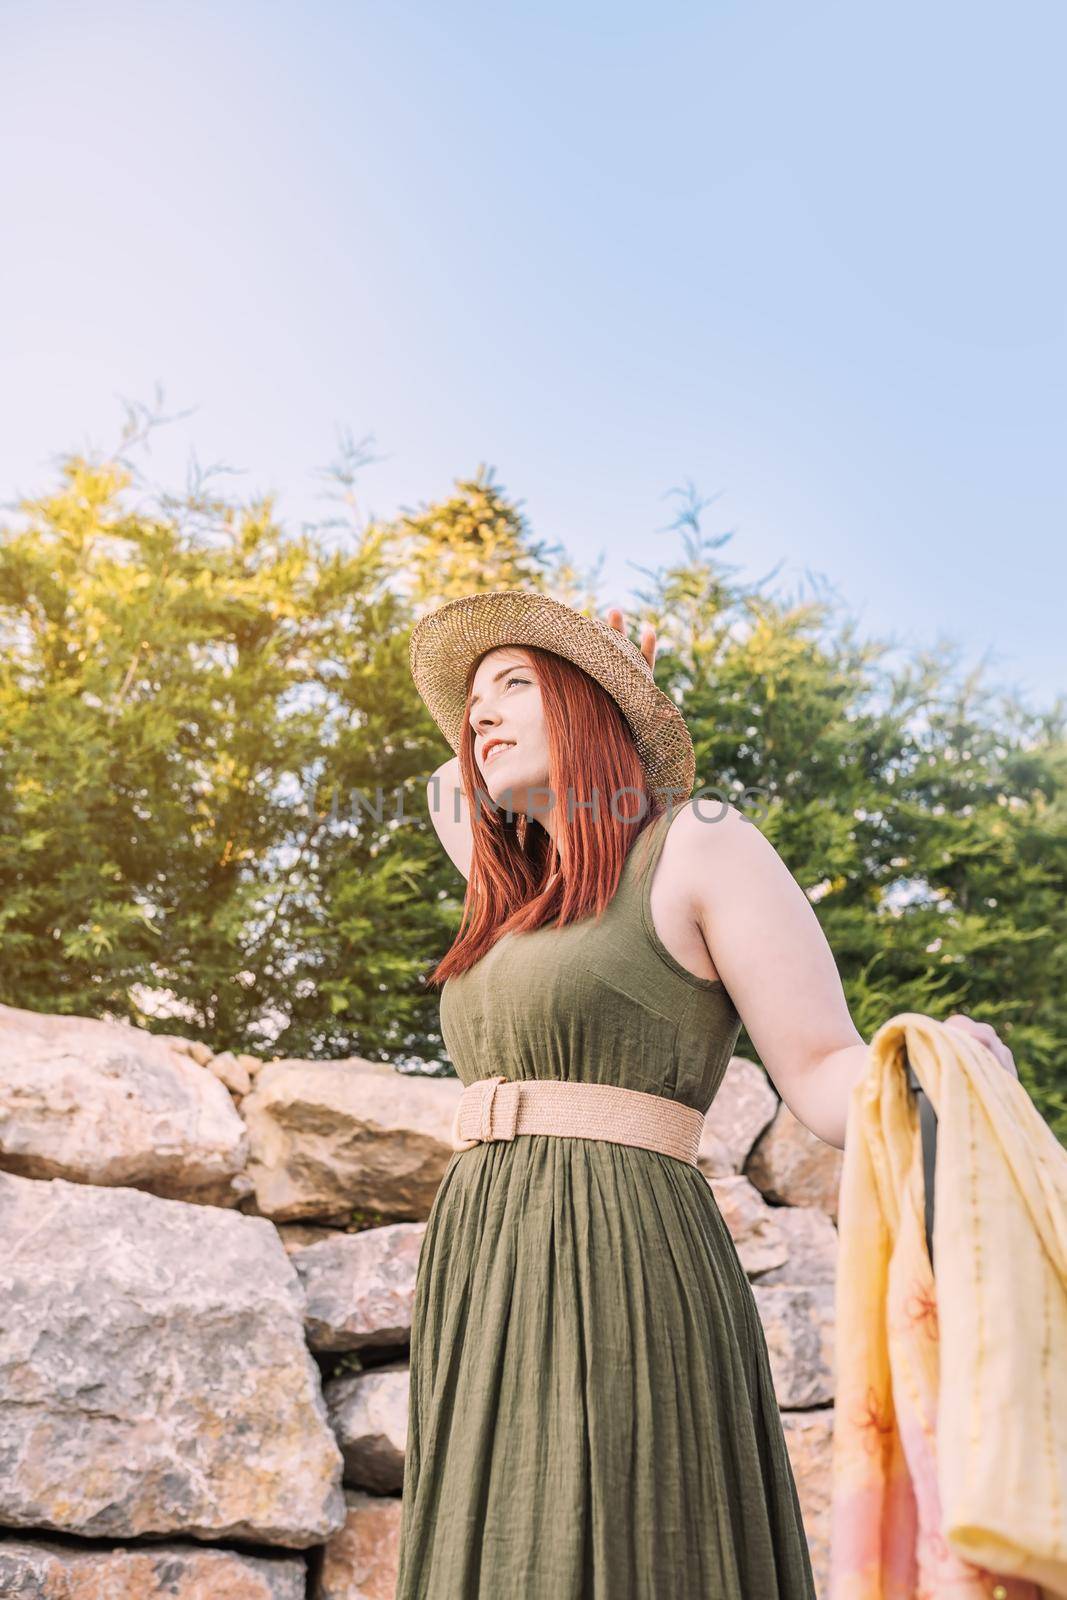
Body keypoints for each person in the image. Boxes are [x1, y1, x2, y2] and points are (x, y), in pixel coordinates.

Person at [397, 586, 1017, 1599]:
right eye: (472, 703)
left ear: (590, 706)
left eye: (515, 684)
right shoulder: (504, 897)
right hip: (481, 1262)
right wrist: (553, 689)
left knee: (636, 1542)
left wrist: (928, 1064)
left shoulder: (700, 843)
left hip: (620, 1255)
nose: (478, 716)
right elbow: (441, 785)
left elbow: (818, 1068)